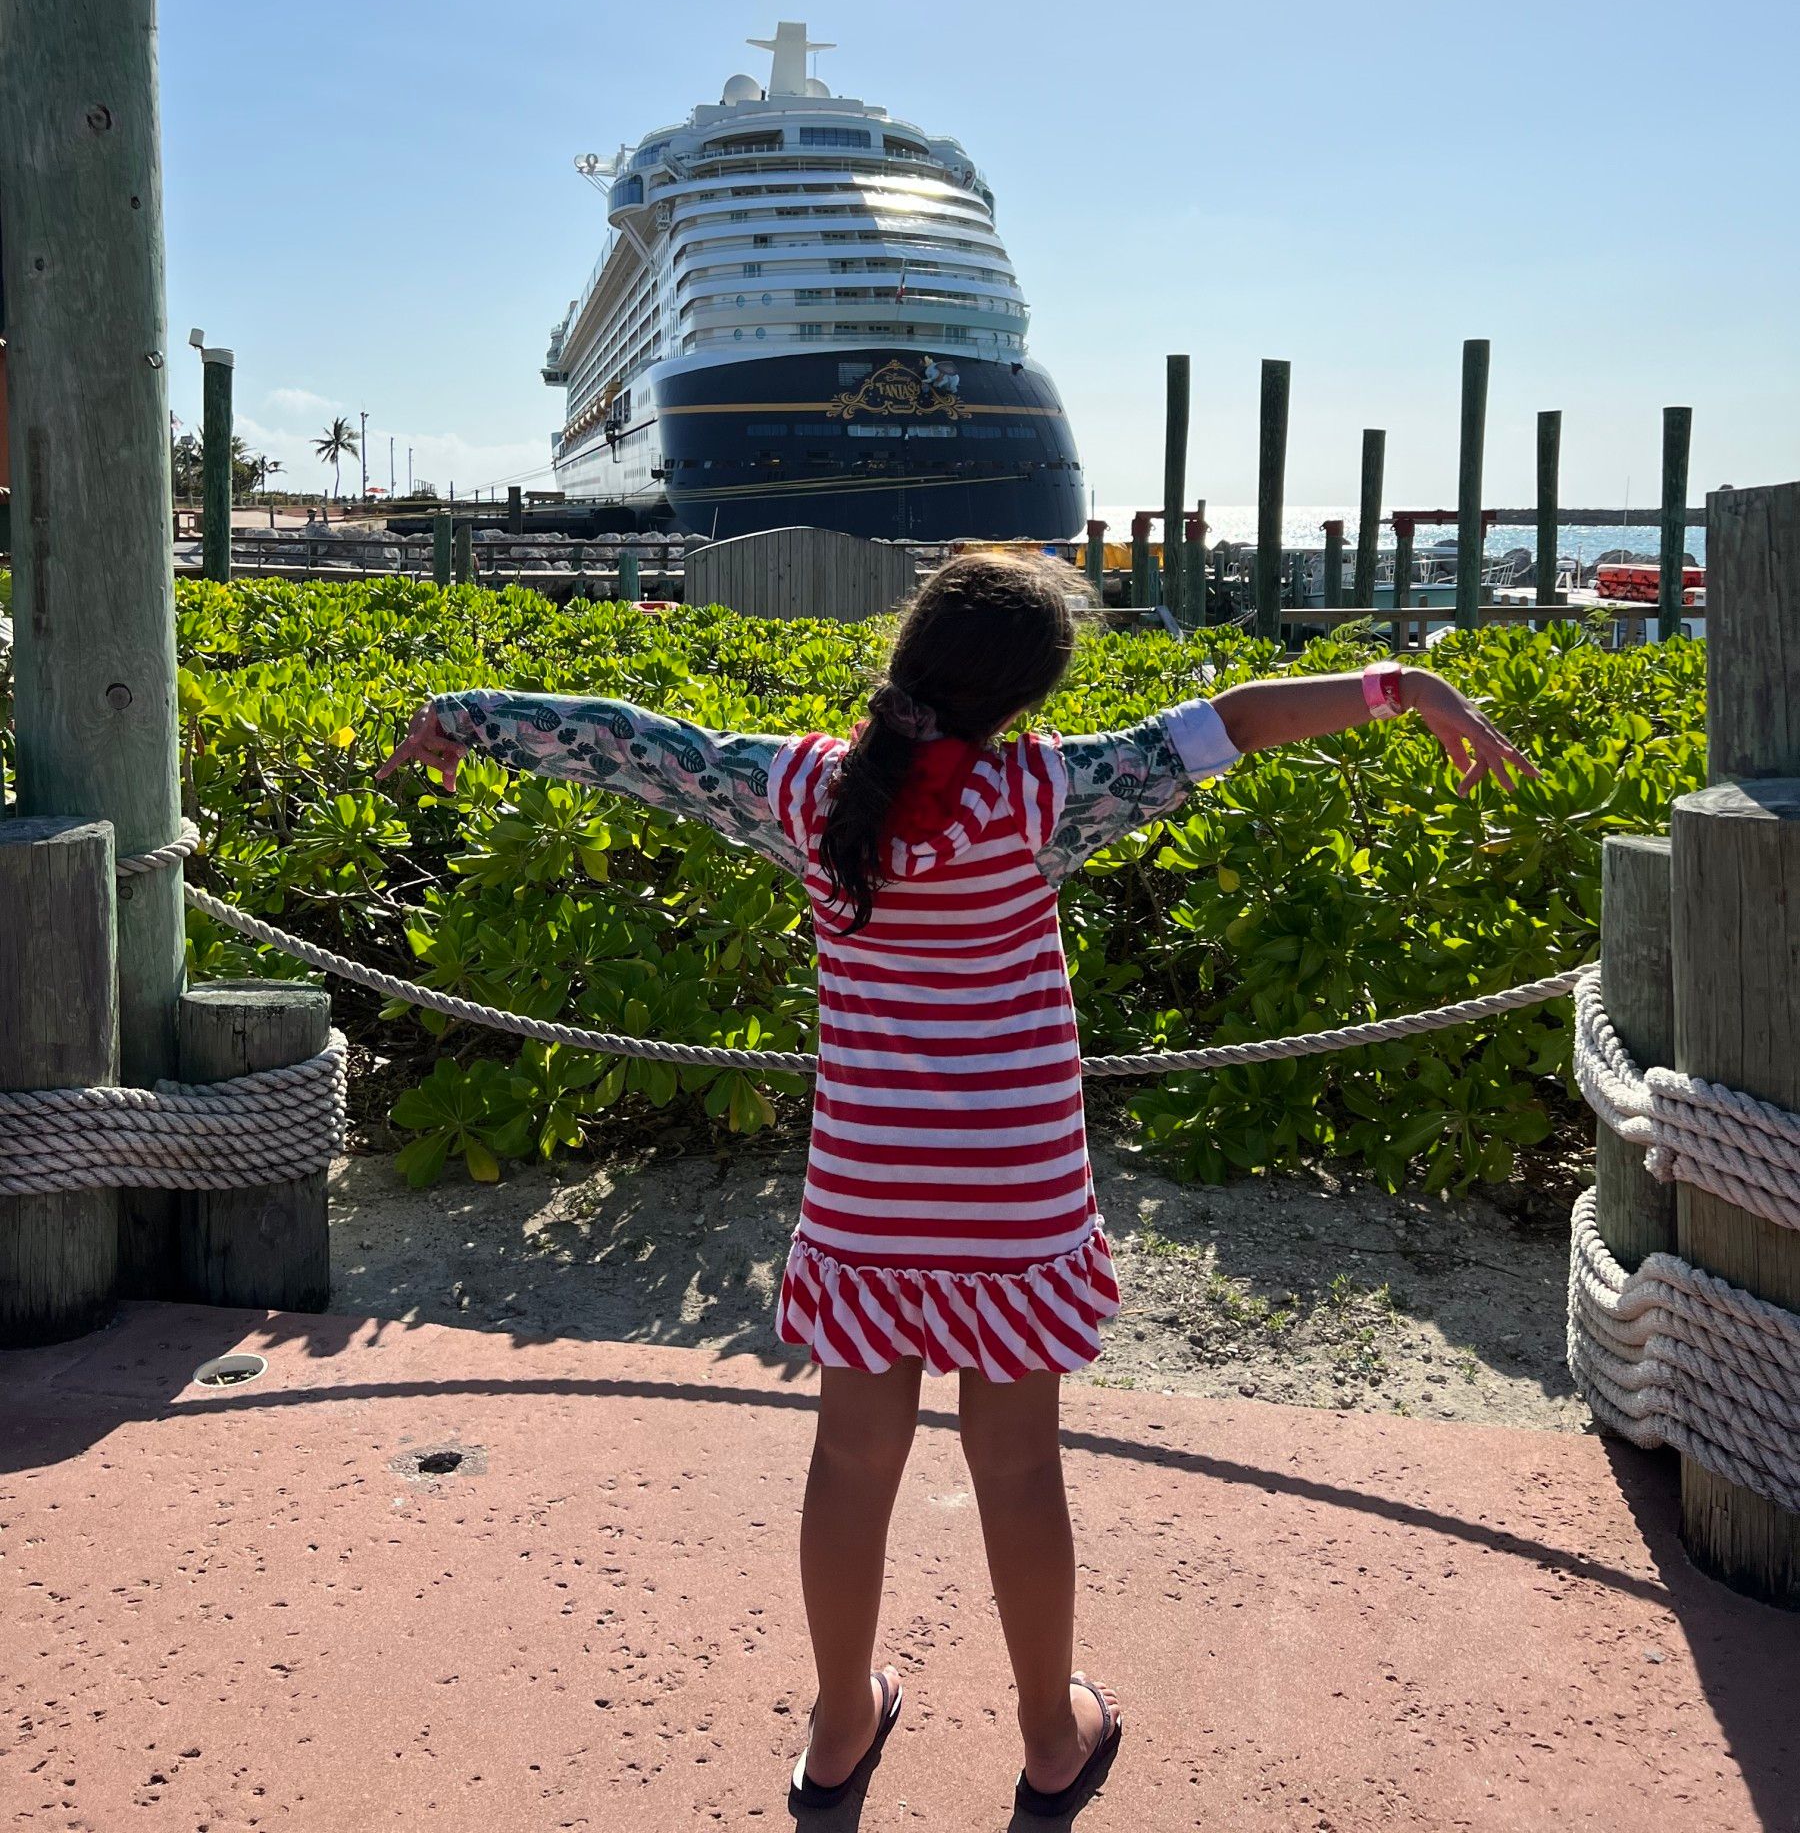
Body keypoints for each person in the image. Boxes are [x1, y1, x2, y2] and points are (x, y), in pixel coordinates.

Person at [377, 552, 1532, 1815]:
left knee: (849, 1464)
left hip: (869, 1195)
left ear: (909, 650)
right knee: (1022, 1472)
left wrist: (463, 719)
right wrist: (1402, 684)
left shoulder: (806, 788)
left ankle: (838, 1727)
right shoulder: (1050, 792)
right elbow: (1243, 720)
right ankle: (1049, 1733)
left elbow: (636, 744)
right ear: (1026, 698)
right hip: (1016, 1201)